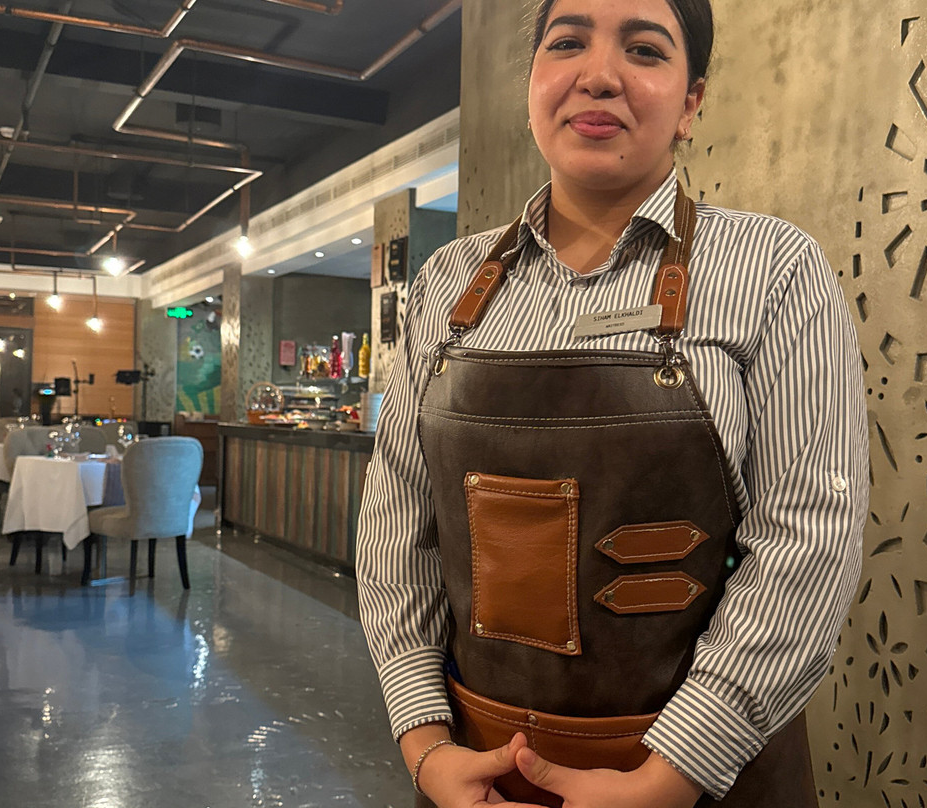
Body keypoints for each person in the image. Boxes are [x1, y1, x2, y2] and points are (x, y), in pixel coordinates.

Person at [356, 1, 868, 806]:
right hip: (478, 776)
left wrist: (672, 775)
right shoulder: (445, 284)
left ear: (691, 101)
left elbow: (809, 539)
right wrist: (426, 746)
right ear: (532, 83)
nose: (598, 75)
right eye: (567, 42)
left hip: (703, 783)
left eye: (644, 49)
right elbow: (396, 528)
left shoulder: (774, 269)